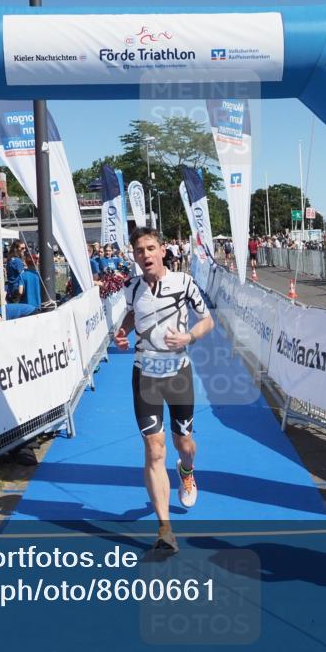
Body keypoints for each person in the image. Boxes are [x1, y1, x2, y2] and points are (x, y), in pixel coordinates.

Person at [114, 227, 214, 554]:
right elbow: (132, 314)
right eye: (139, 250)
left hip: (178, 374)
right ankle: (165, 530)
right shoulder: (131, 287)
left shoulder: (184, 282)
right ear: (134, 255)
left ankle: (187, 470)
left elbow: (207, 321)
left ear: (162, 250)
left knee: (183, 444)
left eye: (150, 248)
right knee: (155, 450)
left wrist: (189, 337)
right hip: (145, 375)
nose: (145, 255)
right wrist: (122, 332)